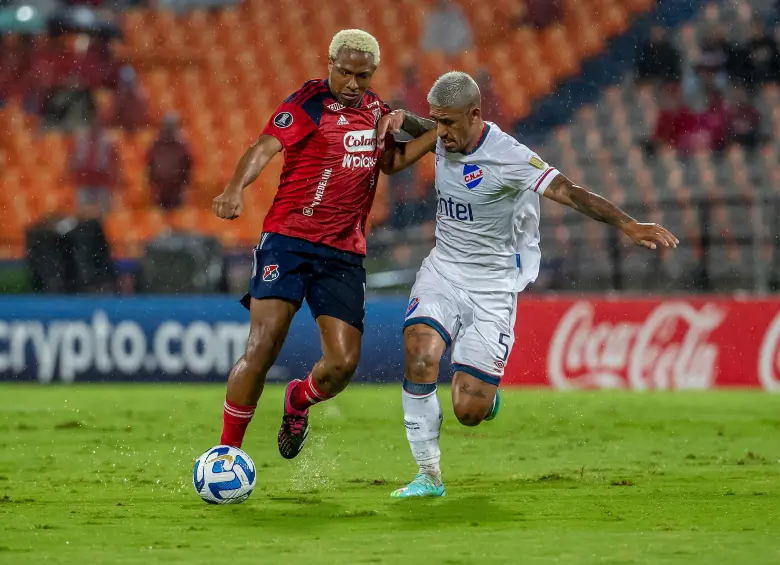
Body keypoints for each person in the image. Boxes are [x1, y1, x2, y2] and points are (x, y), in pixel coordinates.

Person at [378, 72, 678, 498]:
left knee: (468, 410)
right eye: (435, 121)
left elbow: (570, 192)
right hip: (443, 270)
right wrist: (403, 119)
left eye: (448, 123)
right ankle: (428, 475)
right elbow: (423, 133)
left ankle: (486, 394)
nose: (439, 133)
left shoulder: (510, 157)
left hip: (493, 285)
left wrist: (628, 225)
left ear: (475, 115)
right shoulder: (446, 136)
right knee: (420, 352)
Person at [211, 29, 433, 460]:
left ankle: (298, 401)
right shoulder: (307, 103)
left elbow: (390, 162)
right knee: (264, 342)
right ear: (328, 64)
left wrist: (419, 128)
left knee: (343, 365)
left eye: (362, 76)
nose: (352, 84)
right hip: (288, 242)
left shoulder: (376, 110)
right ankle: (226, 454)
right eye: (345, 73)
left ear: (373, 73)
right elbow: (263, 148)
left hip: (343, 253)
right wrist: (234, 188)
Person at [147, 113, 191, 209]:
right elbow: (150, 164)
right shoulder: (157, 144)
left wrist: (185, 186)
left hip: (176, 188)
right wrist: (152, 183)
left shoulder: (182, 145)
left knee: (177, 216)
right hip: (160, 188)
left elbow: (187, 166)